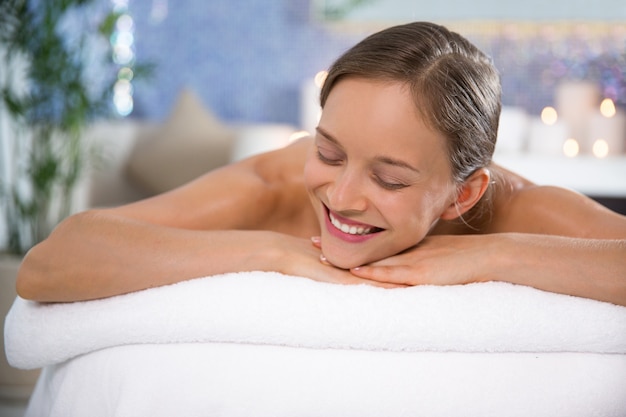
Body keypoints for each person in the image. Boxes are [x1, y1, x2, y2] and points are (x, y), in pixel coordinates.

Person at [16, 21, 626, 306]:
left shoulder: (510, 211)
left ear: (462, 196)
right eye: (328, 151)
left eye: (389, 178)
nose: (343, 195)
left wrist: (492, 254)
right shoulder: (276, 187)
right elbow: (49, 264)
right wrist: (269, 252)